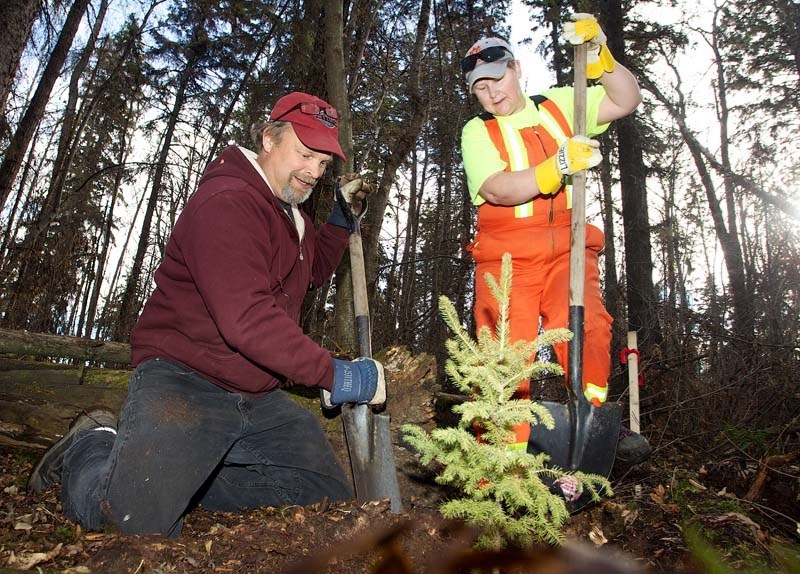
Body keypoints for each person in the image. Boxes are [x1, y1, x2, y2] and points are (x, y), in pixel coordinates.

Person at [27, 91, 387, 536]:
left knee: (322, 495)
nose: (314, 171)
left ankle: (183, 473)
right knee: (133, 524)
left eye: (323, 164)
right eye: (306, 154)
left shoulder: (288, 213)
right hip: (186, 378)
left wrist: (337, 220)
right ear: (269, 139)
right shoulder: (227, 201)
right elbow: (247, 318)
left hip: (256, 394)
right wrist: (335, 374)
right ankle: (91, 445)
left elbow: (309, 272)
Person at [460, 14, 651, 463]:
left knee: (588, 326)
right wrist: (557, 166)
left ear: (516, 68)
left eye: (498, 79)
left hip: (567, 246)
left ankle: (592, 425)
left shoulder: (561, 105)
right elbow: (496, 188)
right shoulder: (477, 132)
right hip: (506, 259)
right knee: (504, 355)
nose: (493, 93)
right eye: (480, 89)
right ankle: (496, 467)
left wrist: (601, 55)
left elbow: (626, 100)